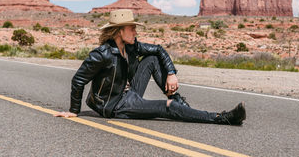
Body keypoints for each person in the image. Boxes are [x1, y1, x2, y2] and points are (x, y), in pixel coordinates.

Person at [54, 9, 246, 125]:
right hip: (116, 105)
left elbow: (158, 50)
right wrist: (74, 110)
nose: (135, 31)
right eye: (132, 28)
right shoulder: (101, 54)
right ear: (119, 31)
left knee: (152, 59)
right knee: (167, 108)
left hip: (128, 93)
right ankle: (222, 118)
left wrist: (171, 73)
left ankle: (178, 101)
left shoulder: (131, 46)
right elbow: (78, 79)